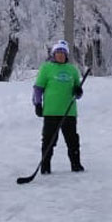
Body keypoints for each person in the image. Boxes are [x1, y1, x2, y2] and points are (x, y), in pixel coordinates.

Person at [32, 40, 84, 174]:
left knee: (72, 140)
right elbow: (38, 88)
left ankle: (76, 164)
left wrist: (78, 92)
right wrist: (38, 104)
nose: (60, 55)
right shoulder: (46, 68)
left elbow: (77, 91)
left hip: (69, 112)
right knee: (49, 140)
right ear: (53, 54)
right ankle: (45, 166)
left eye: (63, 53)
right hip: (51, 111)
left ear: (66, 55)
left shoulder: (72, 69)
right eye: (58, 53)